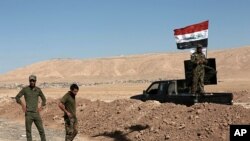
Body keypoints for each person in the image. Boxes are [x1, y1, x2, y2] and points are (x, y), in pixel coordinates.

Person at [15, 75, 47, 141]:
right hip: (28, 114)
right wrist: (23, 106)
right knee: (28, 132)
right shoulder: (25, 89)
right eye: (31, 81)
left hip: (36, 114)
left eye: (33, 81)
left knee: (41, 131)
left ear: (35, 81)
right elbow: (17, 97)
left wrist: (41, 107)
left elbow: (44, 99)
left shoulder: (38, 90)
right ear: (29, 81)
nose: (32, 82)